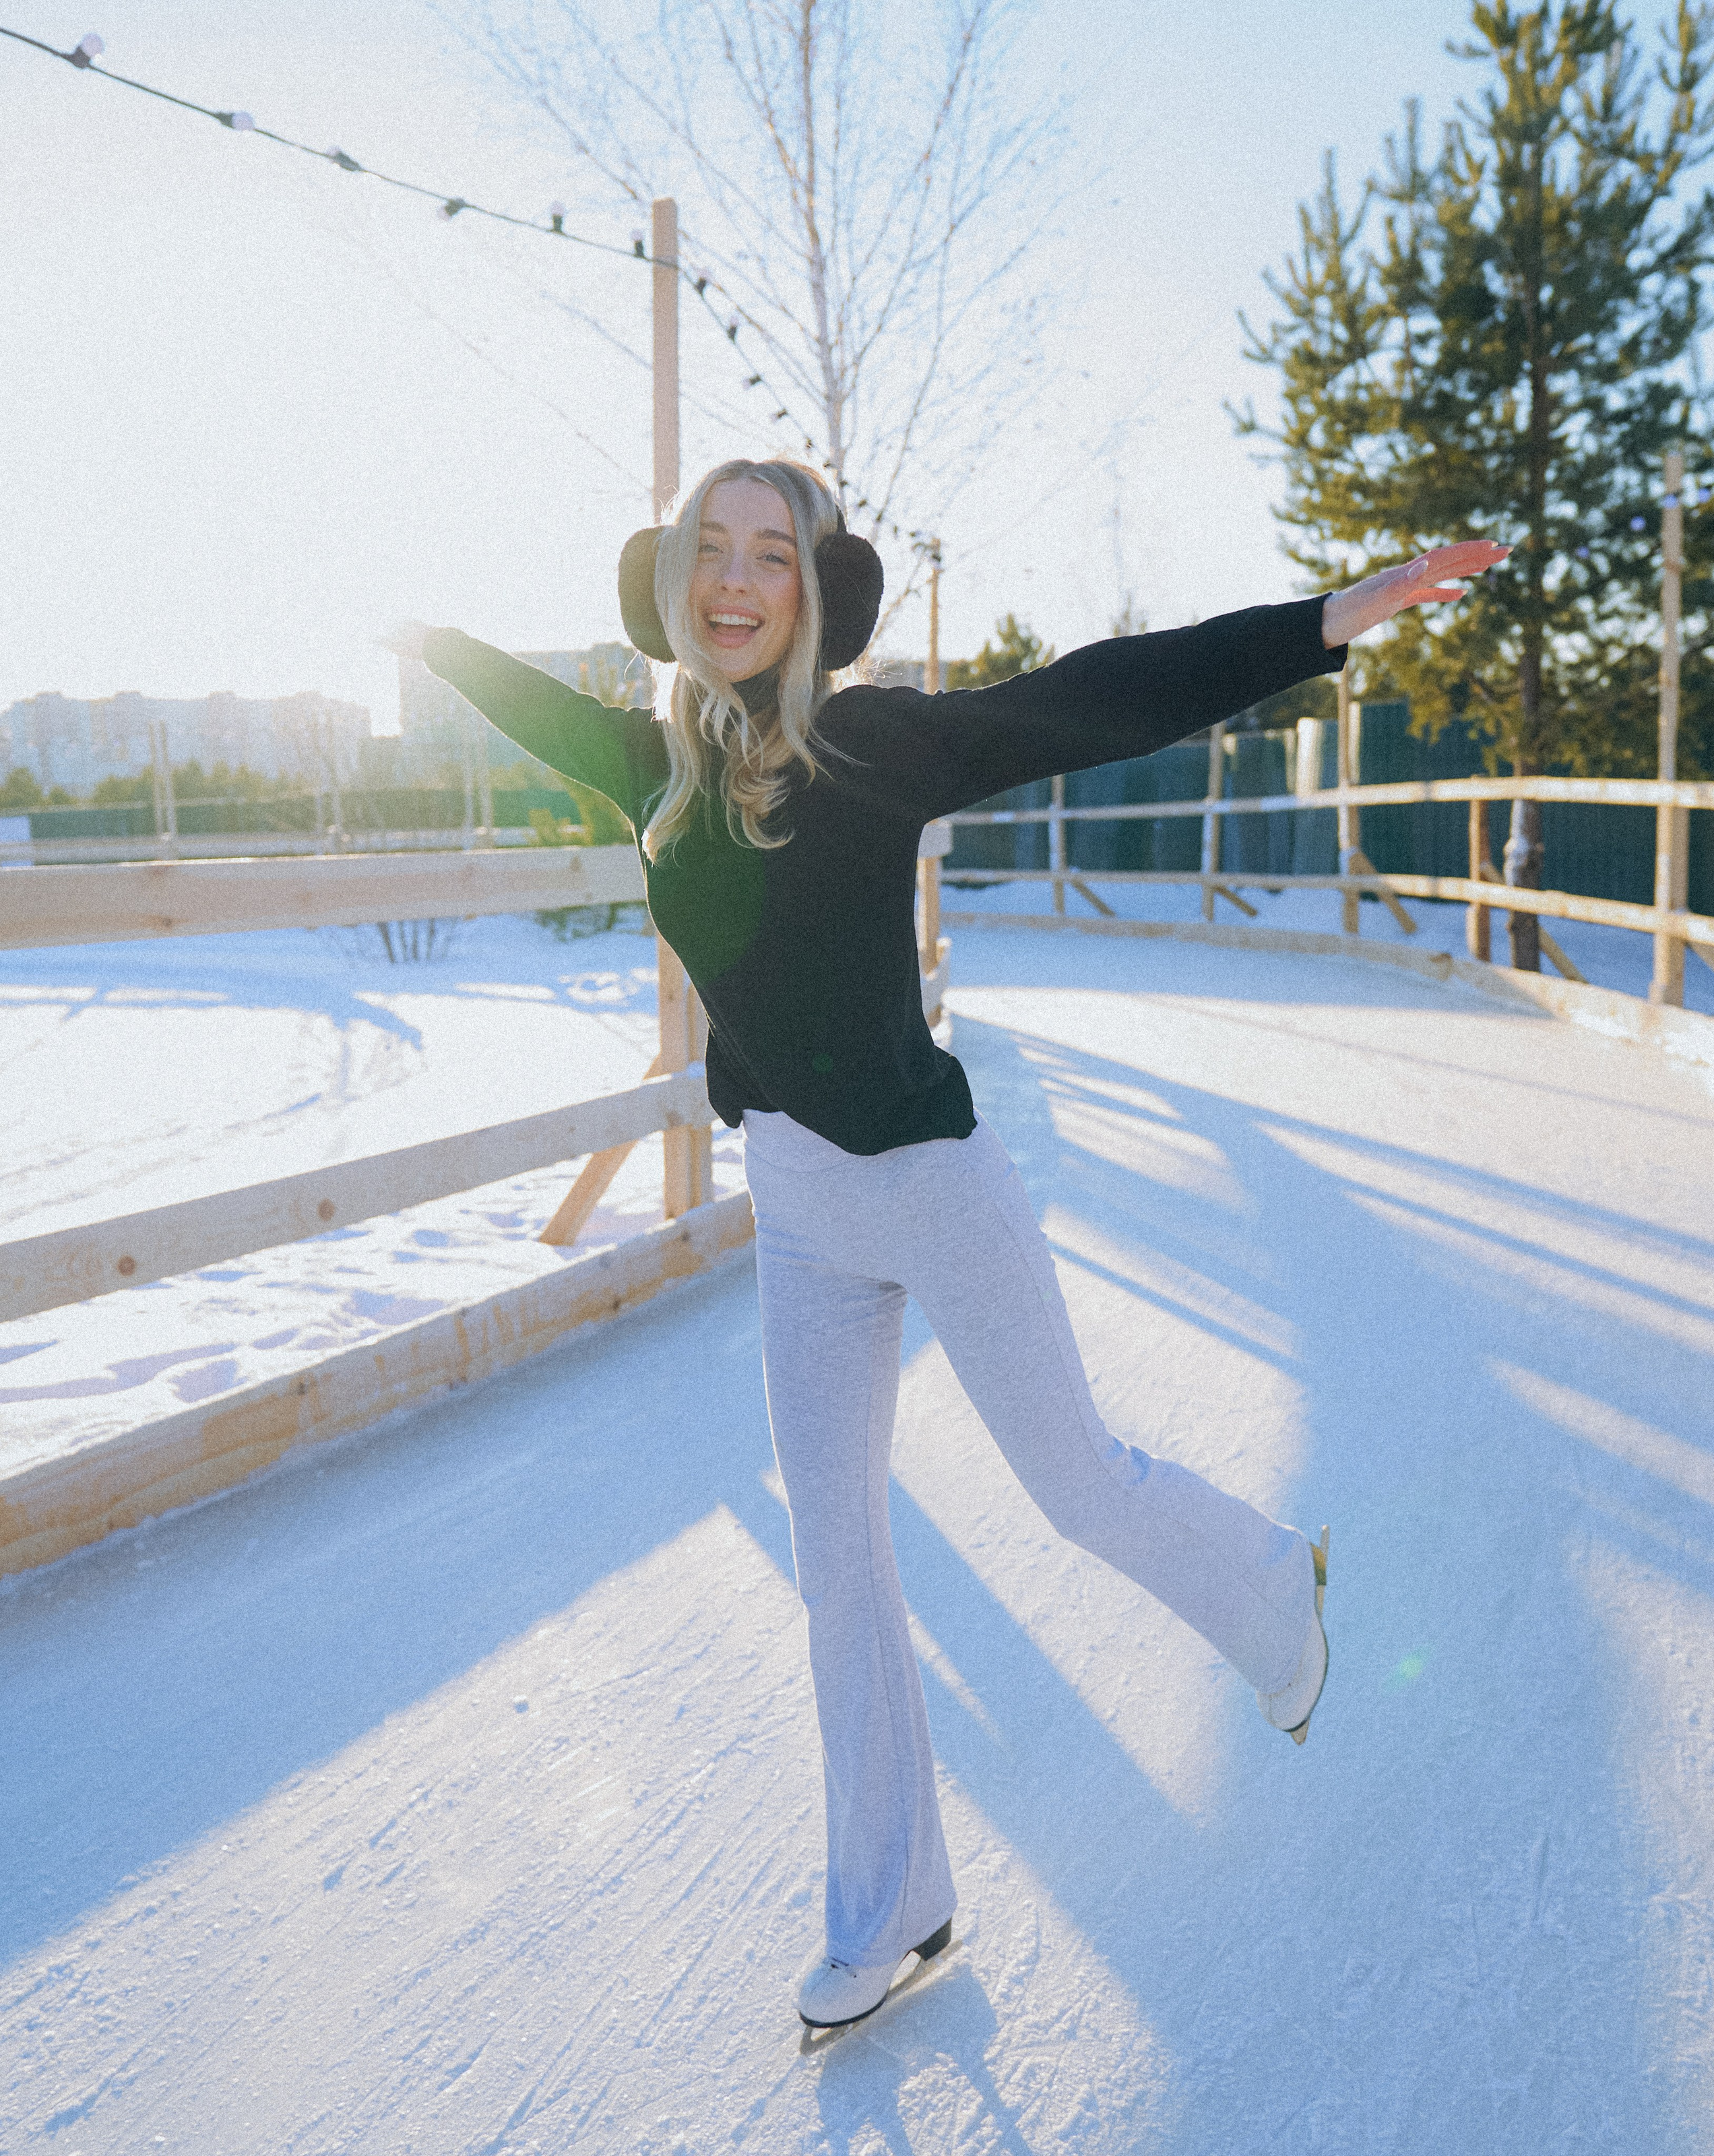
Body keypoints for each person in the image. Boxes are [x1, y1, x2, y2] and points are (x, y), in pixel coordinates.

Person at [385, 461, 1506, 2032]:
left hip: (930, 1182)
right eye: (708, 547)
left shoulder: (865, 743)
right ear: (669, 583)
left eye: (768, 553)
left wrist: (1321, 623)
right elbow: (515, 700)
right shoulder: (650, 761)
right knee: (837, 1564)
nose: (733, 576)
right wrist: (420, 636)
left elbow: (1090, 698)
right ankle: (891, 1907)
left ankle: (1271, 1590)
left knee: (1074, 1487)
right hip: (795, 1209)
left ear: (806, 594)